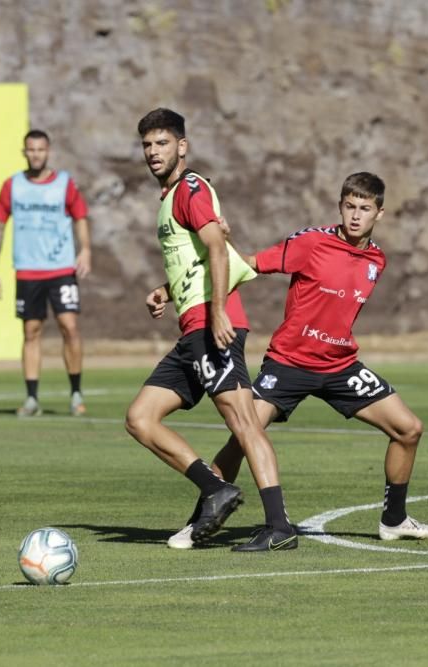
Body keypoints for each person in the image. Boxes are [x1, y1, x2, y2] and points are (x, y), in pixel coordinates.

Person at [164, 172, 428, 549]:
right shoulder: (312, 242)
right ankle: (197, 523)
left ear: (380, 213)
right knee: (243, 437)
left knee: (409, 429)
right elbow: (247, 264)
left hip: (340, 367)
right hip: (289, 365)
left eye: (365, 209)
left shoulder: (377, 259)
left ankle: (394, 521)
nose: (356, 215)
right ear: (340, 206)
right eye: (349, 206)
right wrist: (172, 287)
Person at [124, 108, 297, 552]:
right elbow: (198, 257)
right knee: (140, 419)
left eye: (162, 143)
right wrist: (167, 289)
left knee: (243, 423)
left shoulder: (191, 188)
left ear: (182, 146)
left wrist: (218, 311)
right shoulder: (169, 197)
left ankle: (279, 526)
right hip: (192, 328)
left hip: (212, 325)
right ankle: (214, 488)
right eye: (146, 144)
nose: (152, 152)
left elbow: (218, 248)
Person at [0, 129, 92, 417]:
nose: (36, 154)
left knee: (69, 327)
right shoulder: (12, 186)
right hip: (28, 271)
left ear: (48, 151)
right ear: (25, 152)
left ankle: (76, 394)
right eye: (30, 150)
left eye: (40, 150)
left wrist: (85, 250)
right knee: (31, 331)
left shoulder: (63, 184)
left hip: (60, 268)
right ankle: (32, 398)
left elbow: (80, 216)